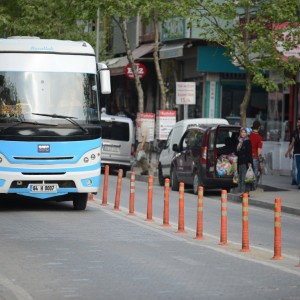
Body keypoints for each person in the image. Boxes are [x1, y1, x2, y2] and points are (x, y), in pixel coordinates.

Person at [236, 127, 253, 197]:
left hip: (245, 162)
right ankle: (244, 192)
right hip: (240, 161)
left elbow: (249, 153)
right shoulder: (240, 141)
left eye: (244, 132)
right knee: (242, 177)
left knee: (245, 177)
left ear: (246, 133)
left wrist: (249, 162)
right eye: (242, 132)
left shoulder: (247, 141)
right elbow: (237, 152)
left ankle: (245, 192)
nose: (243, 133)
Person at [285, 117, 300, 185]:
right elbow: (292, 143)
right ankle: (297, 181)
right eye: (297, 122)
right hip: (296, 153)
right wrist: (288, 152)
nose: (298, 124)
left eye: (299, 123)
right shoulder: (295, 132)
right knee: (296, 169)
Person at [249, 120, 263, 190]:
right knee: (255, 173)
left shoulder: (248, 136)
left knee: (248, 173)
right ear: (259, 127)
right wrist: (260, 162)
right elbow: (259, 151)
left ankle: (248, 187)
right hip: (255, 158)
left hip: (248, 158)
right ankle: (253, 188)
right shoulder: (259, 138)